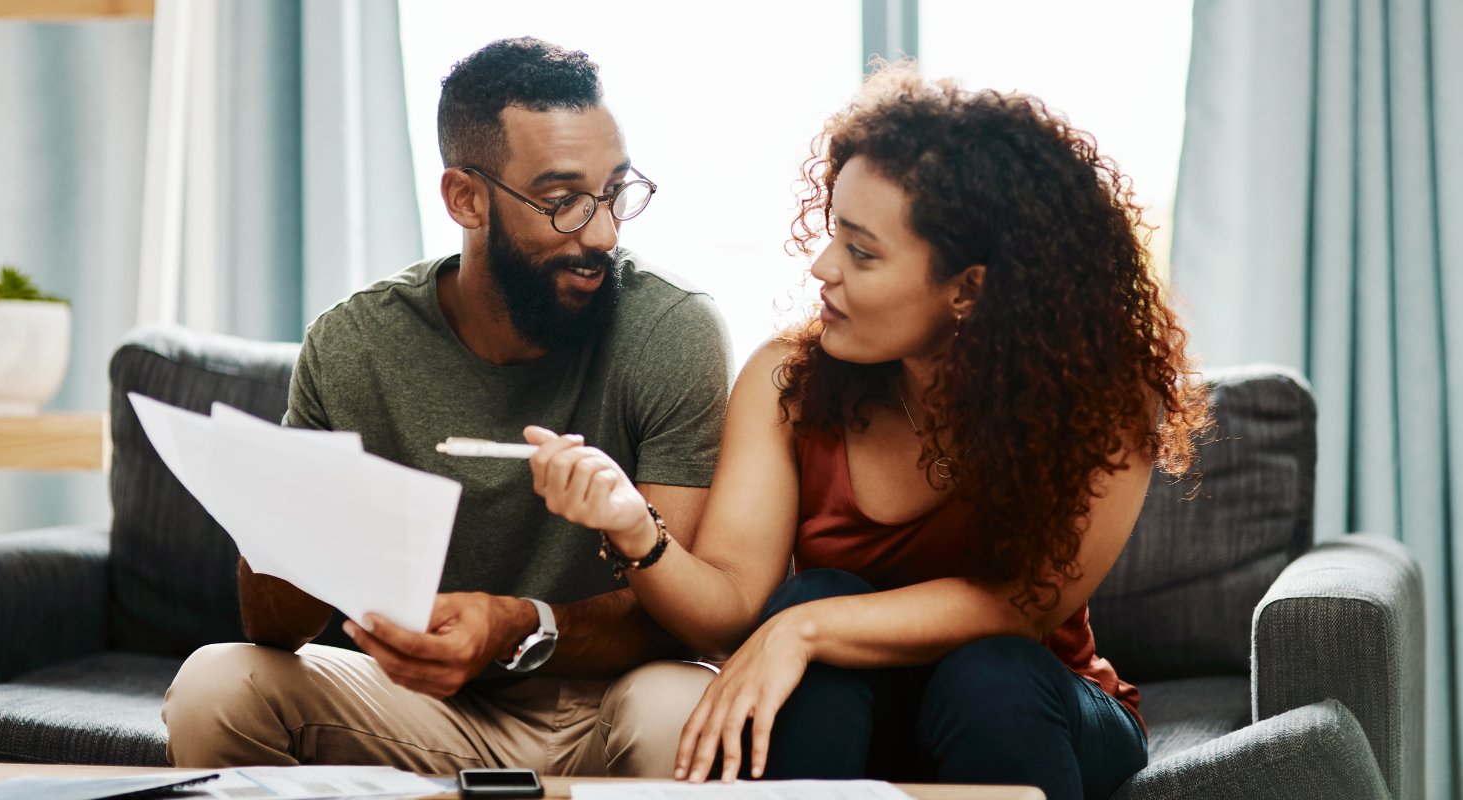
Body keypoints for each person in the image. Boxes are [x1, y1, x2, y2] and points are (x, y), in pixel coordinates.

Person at [525, 63, 1208, 799]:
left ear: (967, 288)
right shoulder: (789, 379)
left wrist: (804, 630)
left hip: (1034, 711)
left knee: (987, 673)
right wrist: (634, 528)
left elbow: (1023, 605)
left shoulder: (1103, 397)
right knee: (815, 594)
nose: (822, 267)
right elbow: (726, 610)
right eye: (832, 233)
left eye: (861, 250)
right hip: (851, 720)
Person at [160, 37, 733, 778]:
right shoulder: (354, 345)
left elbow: (674, 618)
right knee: (215, 684)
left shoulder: (671, 330)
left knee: (681, 708)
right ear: (466, 198)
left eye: (615, 192)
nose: (601, 233)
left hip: (605, 701)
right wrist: (297, 509)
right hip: (418, 702)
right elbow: (270, 626)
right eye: (562, 203)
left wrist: (512, 625)